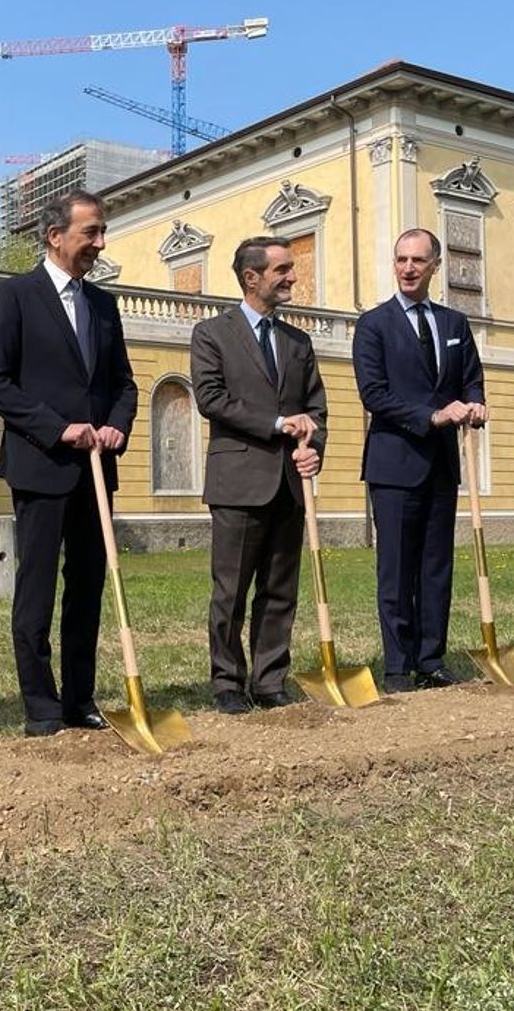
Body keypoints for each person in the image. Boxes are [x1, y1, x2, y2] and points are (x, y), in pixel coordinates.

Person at [0, 190, 138, 736]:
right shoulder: (13, 297)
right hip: (41, 466)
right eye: (90, 232)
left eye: (101, 232)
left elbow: (123, 384)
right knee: (38, 588)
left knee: (88, 584)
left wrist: (117, 424)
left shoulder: (104, 305)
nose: (100, 242)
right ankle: (41, 707)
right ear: (55, 236)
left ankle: (79, 698)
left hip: (97, 470)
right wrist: (57, 428)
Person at [190, 237, 327, 714]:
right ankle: (227, 682)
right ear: (252, 277)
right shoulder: (212, 335)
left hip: (289, 484)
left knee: (280, 589)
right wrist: (275, 425)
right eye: (283, 269)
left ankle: (270, 681)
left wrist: (314, 450)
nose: (292, 276)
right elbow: (211, 399)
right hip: (238, 483)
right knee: (230, 591)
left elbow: (316, 410)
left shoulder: (298, 342)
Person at [352, 228, 487, 692]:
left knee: (435, 566)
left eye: (417, 260)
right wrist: (431, 415)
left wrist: (475, 403)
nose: (408, 268)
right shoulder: (374, 325)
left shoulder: (453, 324)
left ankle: (432, 660)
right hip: (393, 465)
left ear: (435, 265)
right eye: (401, 260)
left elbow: (471, 378)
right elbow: (374, 395)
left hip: (442, 467)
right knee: (396, 568)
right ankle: (397, 666)